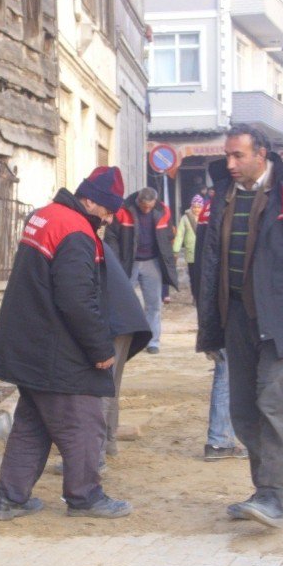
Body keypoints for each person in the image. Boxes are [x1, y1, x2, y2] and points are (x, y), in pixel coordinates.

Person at [196, 124, 283, 527]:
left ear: (263, 154)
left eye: (238, 155)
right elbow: (209, 264)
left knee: (272, 406)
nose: (230, 163)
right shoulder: (222, 195)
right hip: (236, 317)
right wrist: (210, 325)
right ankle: (262, 489)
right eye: (227, 155)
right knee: (242, 410)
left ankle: (274, 497)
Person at [0, 167, 132, 521]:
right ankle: (86, 497)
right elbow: (77, 299)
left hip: (28, 344)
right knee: (84, 421)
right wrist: (100, 350)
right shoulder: (76, 231)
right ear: (91, 200)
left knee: (33, 423)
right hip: (56, 349)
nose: (110, 219)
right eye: (108, 210)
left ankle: (11, 497)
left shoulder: (44, 216)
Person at [108, 187, 178, 354]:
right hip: (129, 262)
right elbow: (111, 236)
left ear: (155, 203)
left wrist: (168, 256)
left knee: (154, 304)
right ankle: (125, 338)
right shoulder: (123, 210)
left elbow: (168, 234)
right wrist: (116, 260)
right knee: (123, 301)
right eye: (144, 206)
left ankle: (153, 341)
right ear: (138, 200)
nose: (147, 209)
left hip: (152, 262)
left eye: (150, 207)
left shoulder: (163, 211)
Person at [99, 239, 151, 461]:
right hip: (125, 318)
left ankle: (95, 455)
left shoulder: (73, 240)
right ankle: (107, 445)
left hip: (114, 321)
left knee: (99, 387)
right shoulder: (87, 238)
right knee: (110, 385)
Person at [173, 194, 203, 303]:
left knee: (202, 276)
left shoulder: (205, 217)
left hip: (203, 252)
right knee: (194, 276)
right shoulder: (185, 218)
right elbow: (180, 234)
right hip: (191, 253)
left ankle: (202, 297)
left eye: (199, 207)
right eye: (194, 207)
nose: (196, 209)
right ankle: (195, 296)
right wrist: (176, 250)